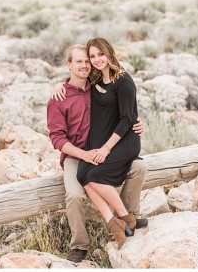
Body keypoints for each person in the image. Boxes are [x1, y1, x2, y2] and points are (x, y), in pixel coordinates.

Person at [47, 44, 147, 261]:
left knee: (139, 167)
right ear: (69, 65)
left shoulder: (96, 85)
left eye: (87, 61)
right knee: (74, 194)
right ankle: (79, 245)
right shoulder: (59, 98)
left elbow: (121, 107)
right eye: (79, 61)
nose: (84, 65)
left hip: (105, 150)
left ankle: (128, 218)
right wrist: (83, 155)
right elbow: (57, 138)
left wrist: (137, 122)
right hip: (76, 156)